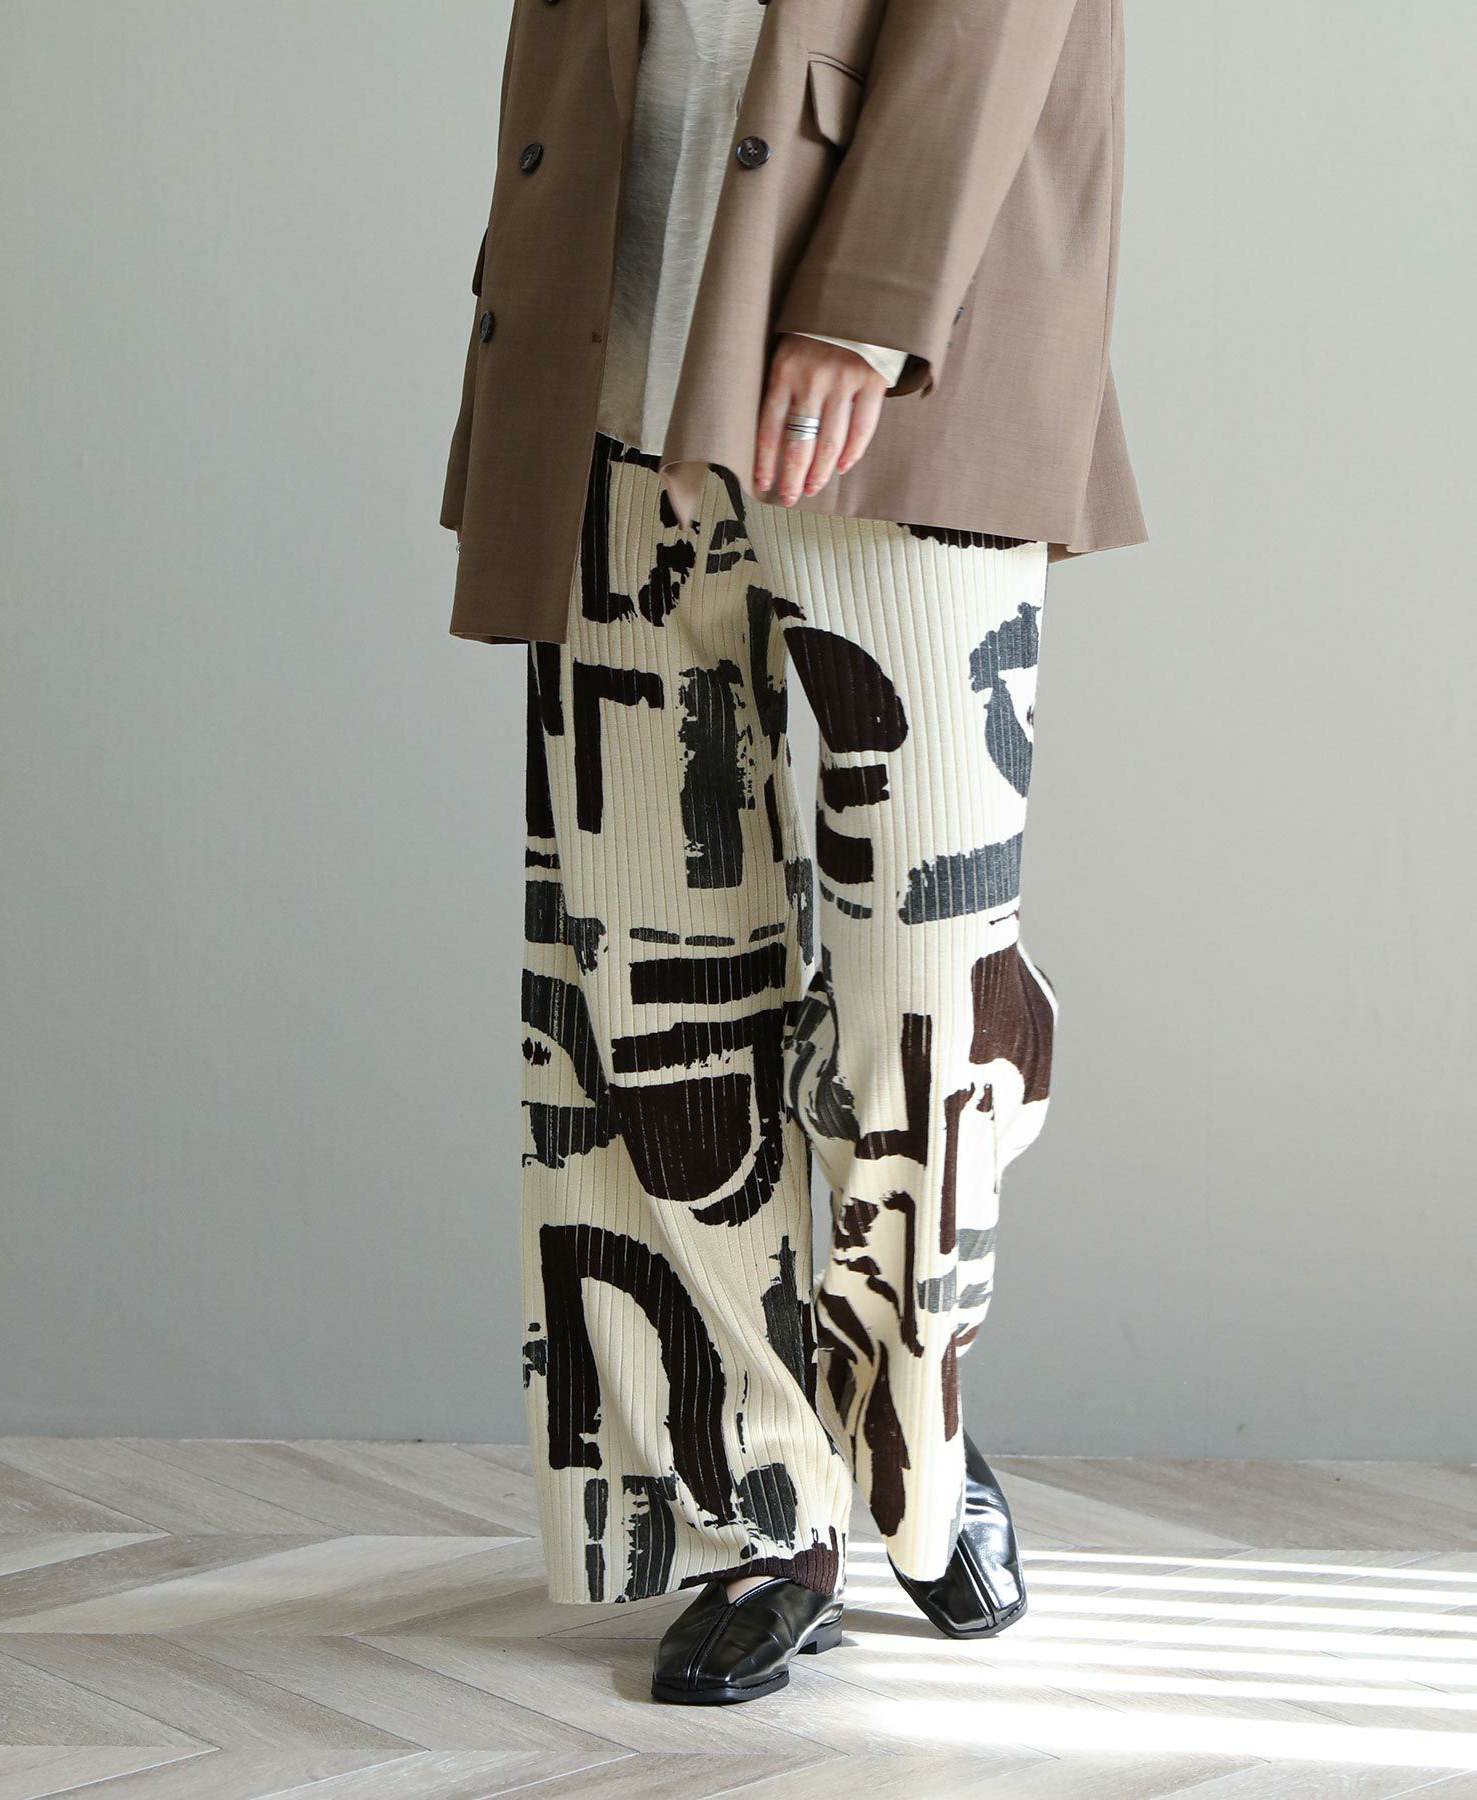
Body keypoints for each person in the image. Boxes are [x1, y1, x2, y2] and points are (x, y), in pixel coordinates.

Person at [441, 0, 1145, 1706]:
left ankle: (914, 1434)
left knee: (928, 995)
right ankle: (757, 1500)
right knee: (649, 976)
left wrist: (870, 298)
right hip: (612, 346)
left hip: (899, 361)